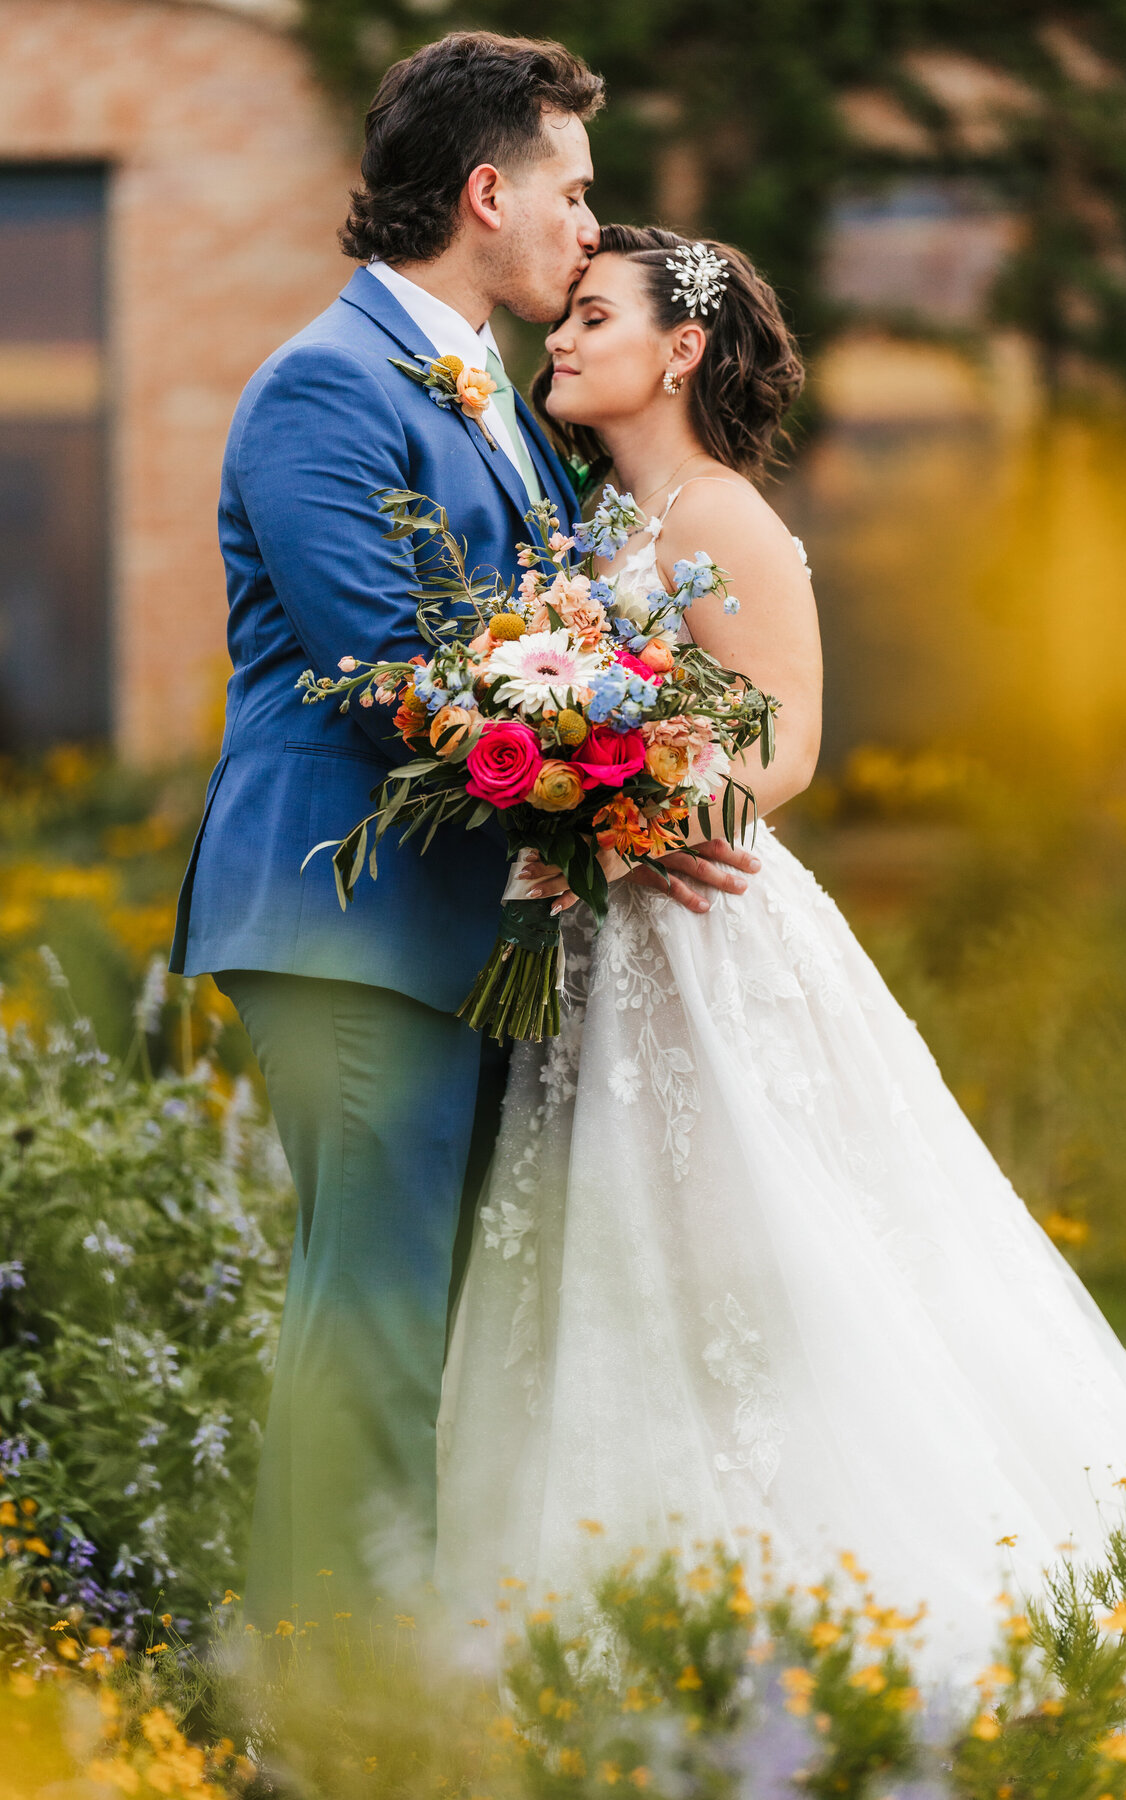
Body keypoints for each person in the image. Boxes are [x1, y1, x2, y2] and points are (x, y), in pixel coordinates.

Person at [435, 225, 1126, 1680]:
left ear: (680, 350)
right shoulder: (597, 515)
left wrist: (642, 811)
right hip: (604, 928)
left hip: (701, 927)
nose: (564, 339)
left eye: (594, 317)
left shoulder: (717, 513)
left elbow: (787, 728)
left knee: (758, 1255)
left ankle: (840, 1618)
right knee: (616, 1252)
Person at [169, 42, 757, 1630]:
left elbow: (540, 634)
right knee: (368, 1315)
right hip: (344, 922)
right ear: (487, 194)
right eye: (571, 192)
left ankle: (384, 1675)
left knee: (435, 1316)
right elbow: (390, 677)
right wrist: (626, 801)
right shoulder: (323, 386)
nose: (589, 226)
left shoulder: (499, 392)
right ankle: (324, 1700)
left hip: (466, 928)